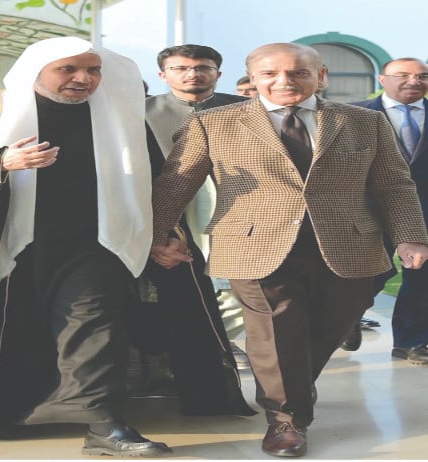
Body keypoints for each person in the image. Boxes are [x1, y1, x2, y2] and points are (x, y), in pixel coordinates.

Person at [0, 37, 172, 457]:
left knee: (94, 327)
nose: (84, 79)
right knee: (2, 329)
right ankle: (4, 411)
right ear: (37, 71)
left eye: (94, 70)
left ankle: (103, 424)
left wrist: (162, 236)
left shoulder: (118, 114)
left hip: (94, 244)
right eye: (69, 69)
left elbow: (153, 178)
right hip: (1, 245)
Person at [150, 42, 428, 457]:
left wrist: (410, 235)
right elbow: (176, 182)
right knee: (277, 327)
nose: (284, 82)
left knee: (336, 321)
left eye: (298, 72)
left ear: (321, 76)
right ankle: (286, 419)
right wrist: (158, 234)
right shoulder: (214, 122)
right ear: (254, 77)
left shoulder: (363, 122)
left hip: (348, 243)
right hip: (253, 244)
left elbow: (393, 184)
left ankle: (293, 387)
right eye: (270, 74)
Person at [144, 45, 254, 406]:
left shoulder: (248, 110)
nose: (193, 74)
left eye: (203, 68)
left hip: (242, 213)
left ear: (218, 73)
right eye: (181, 68)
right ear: (163, 74)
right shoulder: (142, 113)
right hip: (172, 218)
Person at [349, 57, 428, 364]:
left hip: (423, 209)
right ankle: (347, 318)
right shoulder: (355, 115)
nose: (414, 81)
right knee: (372, 271)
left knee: (421, 276)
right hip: (367, 206)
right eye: (403, 75)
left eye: (422, 76)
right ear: (382, 79)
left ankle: (412, 342)